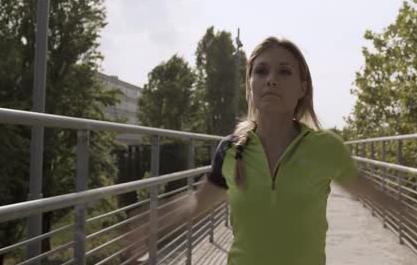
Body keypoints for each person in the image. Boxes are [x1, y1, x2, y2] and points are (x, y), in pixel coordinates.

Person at [159, 36, 401, 265]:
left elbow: (376, 197)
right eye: (261, 71)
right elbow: (197, 203)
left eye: (284, 71)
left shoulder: (326, 147)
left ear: (302, 88)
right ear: (250, 84)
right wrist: (155, 223)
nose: (271, 79)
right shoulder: (230, 150)